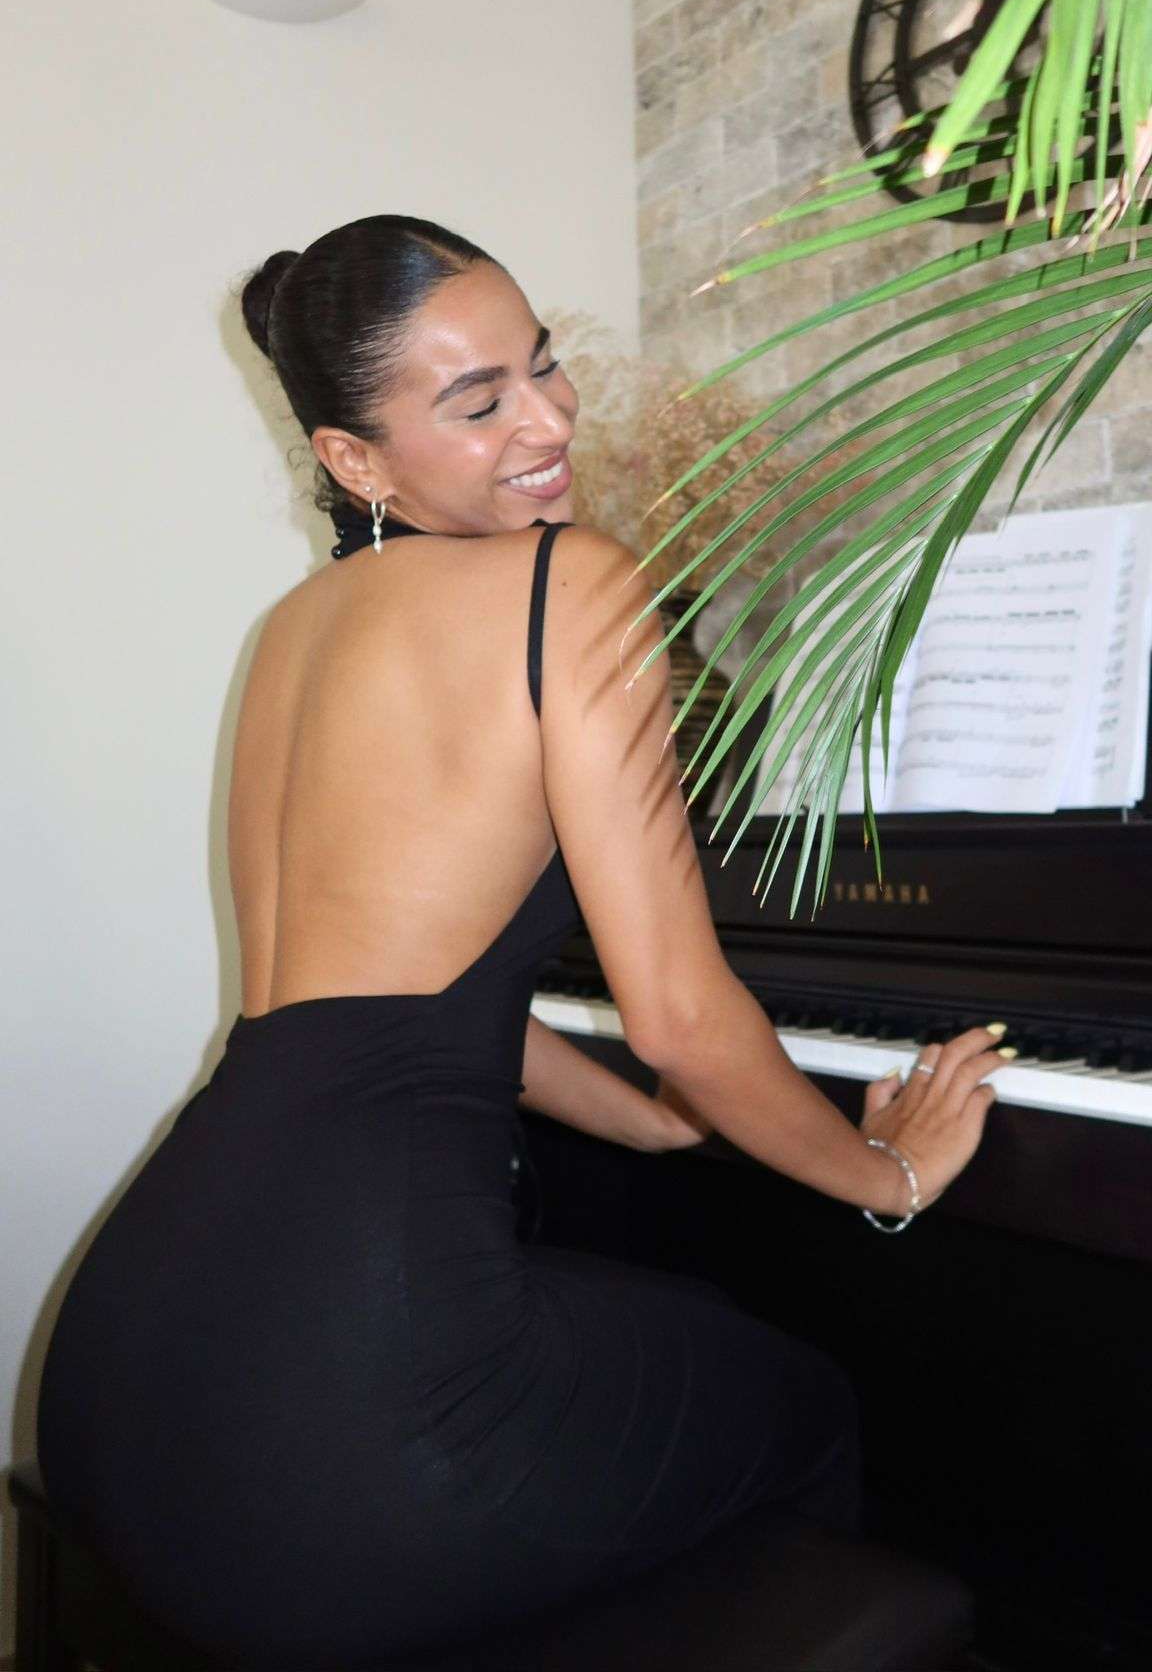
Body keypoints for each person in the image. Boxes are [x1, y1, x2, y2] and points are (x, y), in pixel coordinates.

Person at [35, 214, 1006, 1668]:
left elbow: (393, 1015)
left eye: (543, 368)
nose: (550, 421)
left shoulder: (291, 635)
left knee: (660, 1326)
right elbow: (680, 1013)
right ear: (354, 461)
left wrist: (664, 1133)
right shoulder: (571, 580)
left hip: (123, 1386)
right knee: (801, 1403)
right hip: (359, 1437)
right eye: (478, 403)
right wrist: (892, 1171)